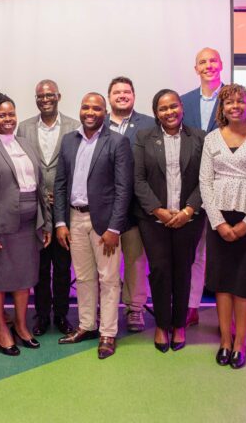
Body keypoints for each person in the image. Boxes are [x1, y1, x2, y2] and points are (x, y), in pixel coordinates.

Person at [0, 93, 51, 356]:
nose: (8, 119)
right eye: (2, 115)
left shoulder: (26, 145)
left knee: (23, 279)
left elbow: (39, 188)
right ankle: (1, 330)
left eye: (11, 114)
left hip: (28, 226)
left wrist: (46, 222)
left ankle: (22, 326)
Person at [199, 84, 246, 369]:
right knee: (221, 284)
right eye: (228, 103)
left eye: (239, 101)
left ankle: (240, 343)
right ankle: (225, 342)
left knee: (243, 286)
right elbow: (205, 181)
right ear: (222, 108)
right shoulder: (212, 139)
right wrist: (218, 222)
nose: (234, 107)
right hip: (218, 219)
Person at [55, 93, 133, 359]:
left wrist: (114, 229)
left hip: (104, 224)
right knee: (84, 277)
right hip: (74, 219)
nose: (90, 112)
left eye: (96, 108)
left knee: (109, 279)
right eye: (85, 106)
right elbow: (60, 184)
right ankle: (87, 325)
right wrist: (60, 222)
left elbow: (124, 189)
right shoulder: (68, 140)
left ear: (105, 111)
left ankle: (108, 333)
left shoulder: (117, 142)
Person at [134, 89, 206, 353]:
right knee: (161, 271)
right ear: (156, 113)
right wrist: (158, 210)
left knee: (183, 270)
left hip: (189, 218)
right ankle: (162, 325)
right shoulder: (144, 138)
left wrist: (188, 210)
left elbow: (205, 179)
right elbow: (138, 180)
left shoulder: (199, 137)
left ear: (181, 108)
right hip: (154, 220)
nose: (169, 112)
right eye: (163, 109)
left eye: (173, 106)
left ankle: (179, 325)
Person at [17, 79, 79, 336]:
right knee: (40, 267)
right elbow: (20, 165)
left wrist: (62, 195)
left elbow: (79, 166)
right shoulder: (24, 127)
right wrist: (41, 195)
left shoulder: (74, 127)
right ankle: (41, 316)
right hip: (36, 211)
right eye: (40, 96)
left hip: (65, 211)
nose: (45, 99)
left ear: (58, 96)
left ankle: (62, 315)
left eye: (49, 95)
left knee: (63, 267)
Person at [180, 47, 226, 326]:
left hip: (226, 185)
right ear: (195, 68)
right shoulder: (183, 101)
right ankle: (191, 305)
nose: (208, 65)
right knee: (194, 251)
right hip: (192, 187)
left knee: (223, 251)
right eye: (202, 62)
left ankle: (227, 310)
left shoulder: (234, 97)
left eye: (213, 61)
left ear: (221, 65)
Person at [107, 76, 154, 332]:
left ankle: (135, 309)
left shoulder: (148, 124)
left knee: (135, 260)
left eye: (126, 91)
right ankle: (107, 307)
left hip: (136, 207)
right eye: (117, 92)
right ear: (109, 97)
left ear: (134, 96)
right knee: (106, 263)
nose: (122, 95)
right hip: (105, 207)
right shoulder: (98, 124)